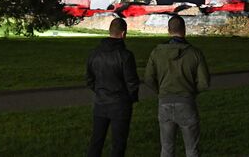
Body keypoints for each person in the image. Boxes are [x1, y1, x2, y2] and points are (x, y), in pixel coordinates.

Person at [145, 15, 210, 157]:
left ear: (168, 30)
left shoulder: (157, 52)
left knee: (167, 149)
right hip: (186, 103)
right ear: (184, 30)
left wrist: (161, 91)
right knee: (192, 149)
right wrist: (191, 92)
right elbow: (204, 83)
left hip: (164, 103)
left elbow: (148, 79)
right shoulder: (195, 53)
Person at [86, 17, 140, 157]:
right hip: (120, 105)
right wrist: (130, 98)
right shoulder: (126, 56)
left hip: (100, 103)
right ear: (123, 34)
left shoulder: (95, 53)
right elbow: (132, 82)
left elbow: (89, 79)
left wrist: (99, 91)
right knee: (118, 145)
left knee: (96, 142)